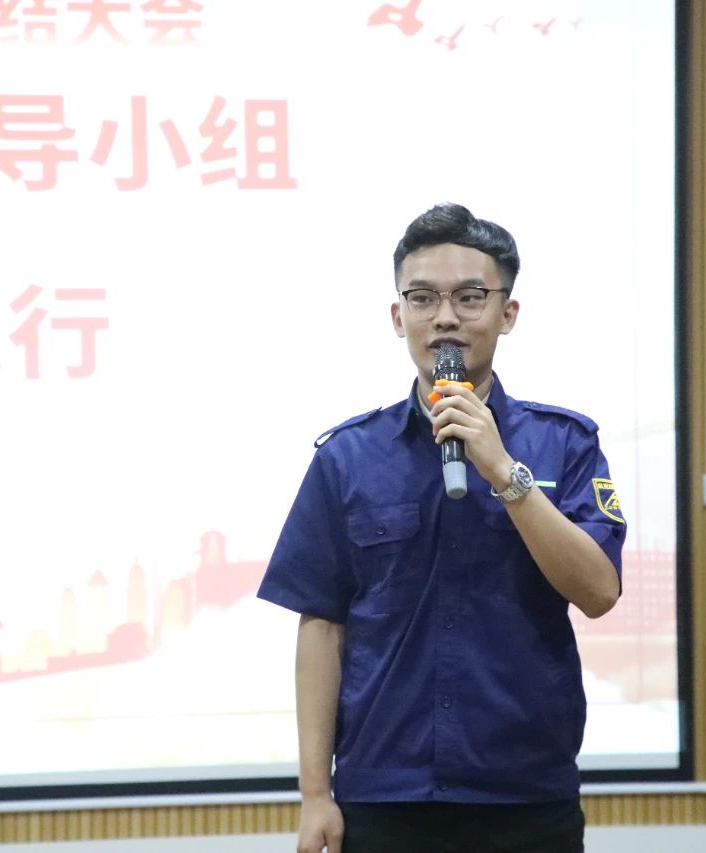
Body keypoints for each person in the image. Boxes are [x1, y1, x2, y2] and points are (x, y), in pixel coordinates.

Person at [257, 203, 627, 853]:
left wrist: (503, 470)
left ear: (507, 313)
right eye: (423, 298)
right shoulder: (347, 457)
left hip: (525, 794)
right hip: (385, 795)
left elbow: (598, 591)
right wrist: (315, 793)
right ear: (397, 316)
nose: (446, 317)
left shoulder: (564, 443)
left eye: (470, 297)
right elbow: (321, 625)